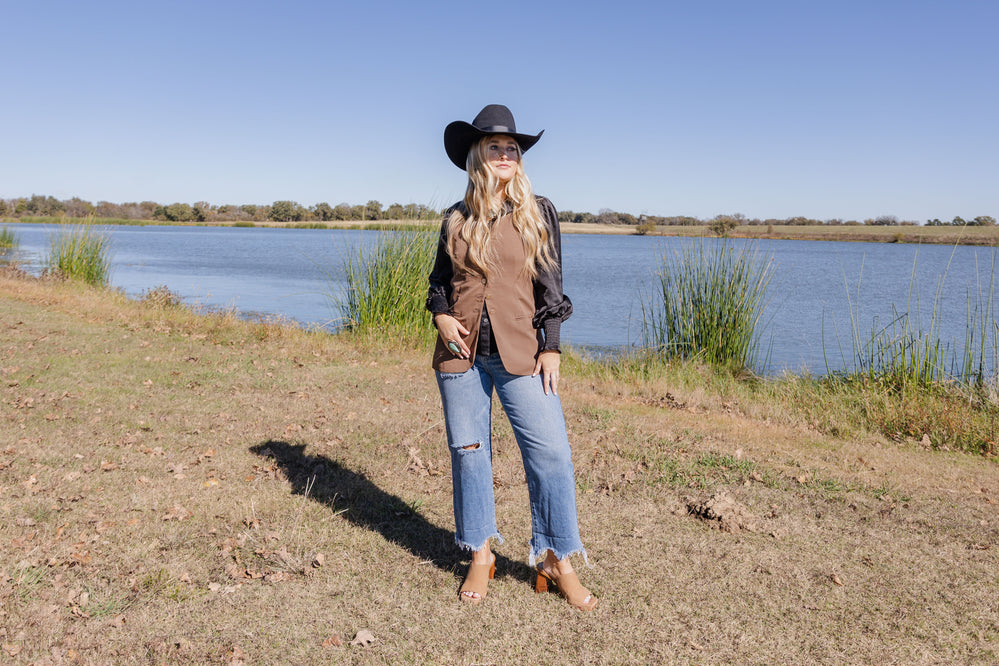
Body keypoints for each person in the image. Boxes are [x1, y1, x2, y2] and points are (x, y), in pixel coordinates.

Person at [426, 104, 597, 611]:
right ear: (478, 156)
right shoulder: (455, 218)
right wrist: (440, 316)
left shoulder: (538, 211)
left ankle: (556, 557)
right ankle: (481, 553)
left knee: (551, 454)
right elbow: (439, 284)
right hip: (463, 355)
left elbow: (551, 288)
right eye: (496, 147)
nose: (506, 154)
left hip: (523, 352)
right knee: (469, 452)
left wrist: (552, 345)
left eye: (513, 149)